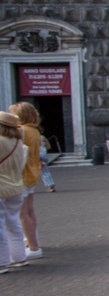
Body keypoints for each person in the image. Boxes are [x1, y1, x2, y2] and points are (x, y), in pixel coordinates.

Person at [10, 102, 43, 260]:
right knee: (29, 211)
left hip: (21, 174)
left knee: (22, 213)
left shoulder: (21, 131)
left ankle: (33, 246)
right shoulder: (35, 131)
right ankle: (32, 242)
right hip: (32, 172)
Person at [0, 111, 28, 274]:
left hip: (1, 186)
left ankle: (2, 262)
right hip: (16, 187)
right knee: (14, 223)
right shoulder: (19, 143)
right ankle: (19, 257)